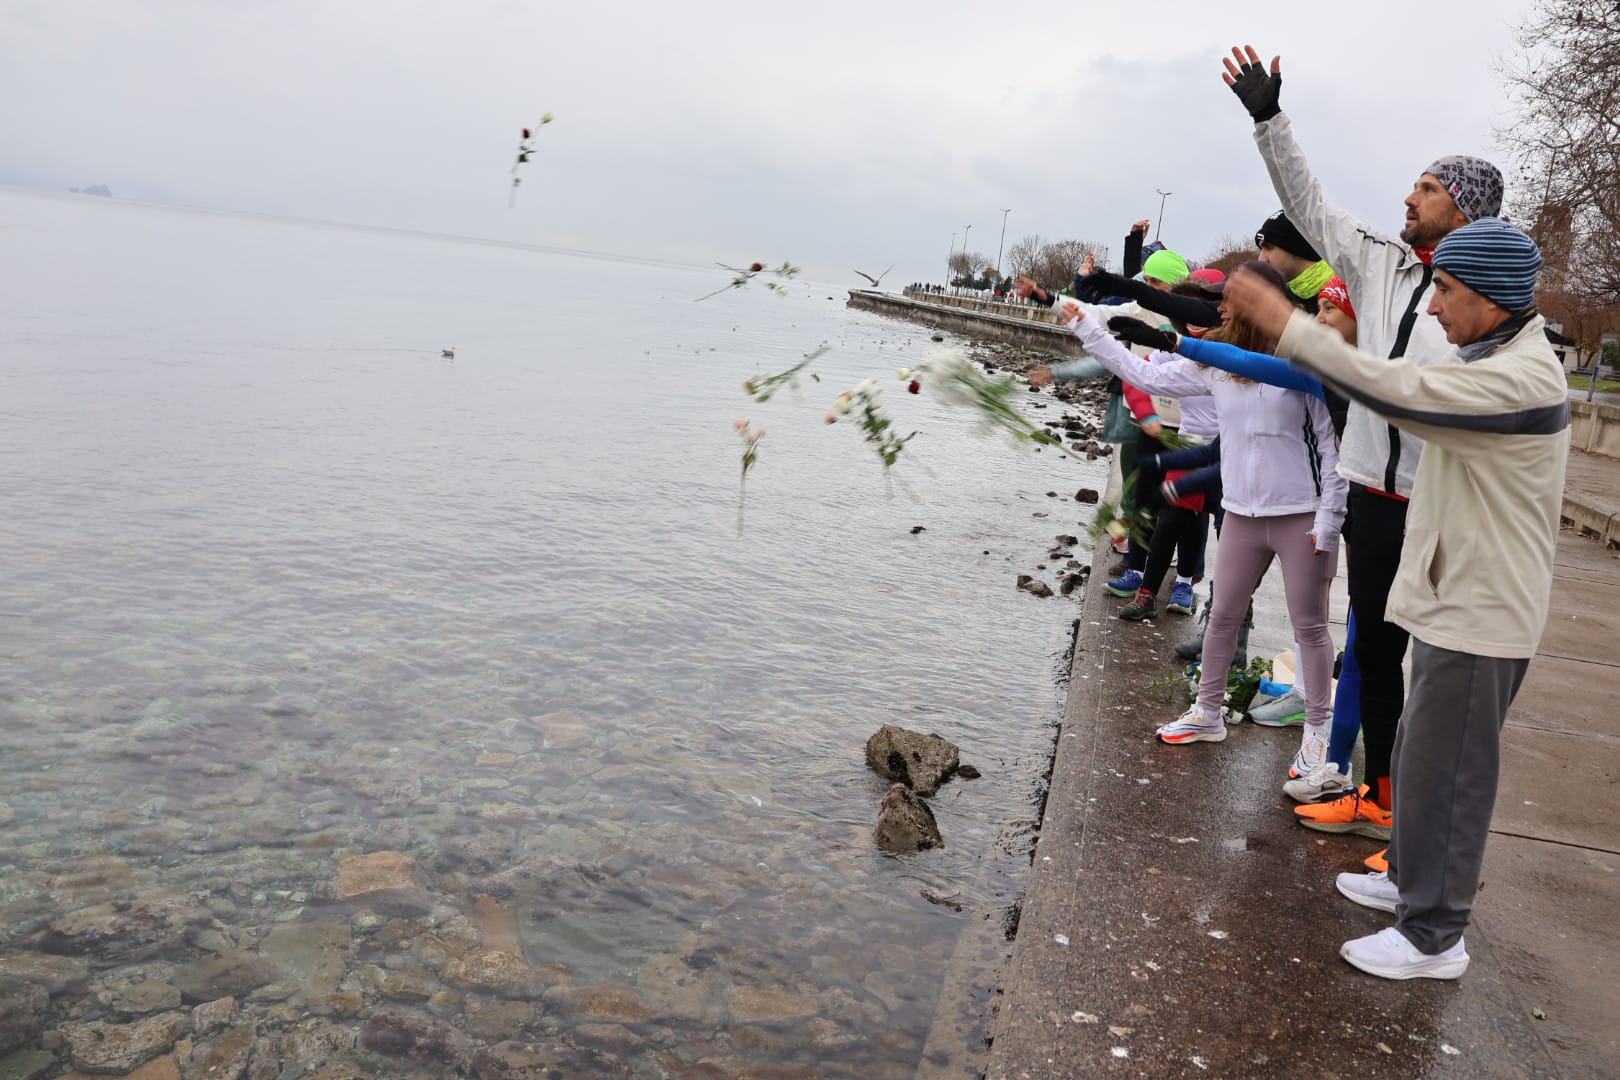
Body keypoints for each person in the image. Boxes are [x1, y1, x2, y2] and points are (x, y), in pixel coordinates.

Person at [1221, 217, 1566, 980]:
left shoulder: (1520, 378)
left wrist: (1297, 332)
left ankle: (1435, 938)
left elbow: (1404, 392)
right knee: (1419, 751)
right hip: (1458, 599)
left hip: (1482, 612)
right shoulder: (1498, 355)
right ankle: (1410, 881)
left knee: (1451, 773)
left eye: (1444, 289)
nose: (1433, 308)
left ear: (1490, 296)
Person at [1223, 42, 1506, 842]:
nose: (1408, 198)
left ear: (1465, 208)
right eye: (1412, 183)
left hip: (1438, 503)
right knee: (1374, 655)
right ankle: (1378, 798)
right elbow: (1308, 202)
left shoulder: (1488, 299)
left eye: (1427, 188)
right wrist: (1269, 119)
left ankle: (1420, 824)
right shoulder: (1380, 262)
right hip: (1370, 498)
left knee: (1440, 671)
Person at [1054, 263, 1346, 769]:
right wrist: (1087, 326)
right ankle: (1208, 713)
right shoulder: (1216, 365)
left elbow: (1331, 443)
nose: (1221, 308)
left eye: (1232, 299)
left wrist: (1329, 518)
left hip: (1301, 515)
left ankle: (1318, 731)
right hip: (1240, 513)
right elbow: (1142, 372)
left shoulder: (1304, 361)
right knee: (1222, 618)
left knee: (1311, 628)